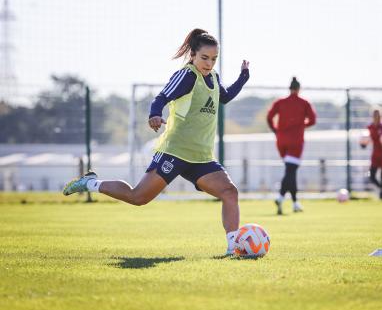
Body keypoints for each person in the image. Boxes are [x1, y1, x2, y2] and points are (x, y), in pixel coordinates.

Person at [63, 28, 250, 255]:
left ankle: (234, 247)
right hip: (175, 151)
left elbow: (225, 96)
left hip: (201, 156)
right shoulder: (187, 75)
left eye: (214, 59)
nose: (209, 64)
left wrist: (243, 77)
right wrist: (154, 114)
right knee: (137, 197)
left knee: (230, 192)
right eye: (204, 58)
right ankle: (91, 183)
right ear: (192, 54)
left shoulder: (213, 77)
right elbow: (161, 97)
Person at [266, 77, 316, 215]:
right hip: (296, 141)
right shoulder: (304, 103)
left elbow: (269, 117)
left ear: (289, 88)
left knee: (291, 171)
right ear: (299, 89)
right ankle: (280, 197)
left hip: (281, 140)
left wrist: (276, 130)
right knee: (290, 171)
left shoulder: (280, 102)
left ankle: (295, 203)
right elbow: (313, 120)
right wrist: (301, 125)